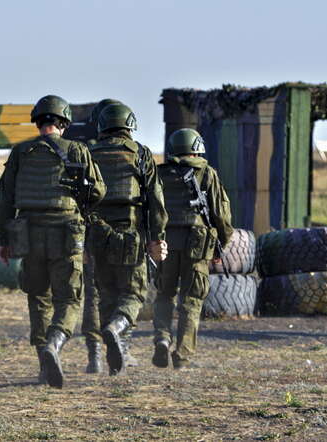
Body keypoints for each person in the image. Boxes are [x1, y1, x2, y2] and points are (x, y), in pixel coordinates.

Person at [0, 95, 106, 388]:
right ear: (64, 123)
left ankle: (44, 366)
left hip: (28, 232)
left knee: (38, 297)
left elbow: (4, 199)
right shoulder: (78, 150)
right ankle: (54, 344)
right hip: (66, 232)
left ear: (38, 121)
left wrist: (3, 239)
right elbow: (98, 192)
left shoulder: (20, 152)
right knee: (68, 297)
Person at [87, 102, 168, 375]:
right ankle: (116, 329)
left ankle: (118, 353)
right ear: (129, 125)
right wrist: (157, 238)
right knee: (133, 293)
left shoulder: (90, 154)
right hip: (131, 236)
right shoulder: (141, 154)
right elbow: (155, 201)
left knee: (107, 295)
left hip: (97, 236)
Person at [153, 128, 233, 369]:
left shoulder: (160, 174)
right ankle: (183, 354)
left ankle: (162, 339)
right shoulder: (207, 173)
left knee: (164, 293)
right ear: (197, 147)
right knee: (192, 299)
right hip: (198, 244)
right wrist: (221, 246)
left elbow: (152, 208)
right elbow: (222, 214)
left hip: (166, 241)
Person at [68, 98, 120, 374]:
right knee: (121, 290)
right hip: (124, 230)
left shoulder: (80, 149)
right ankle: (117, 346)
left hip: (89, 228)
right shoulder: (131, 151)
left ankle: (95, 355)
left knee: (92, 293)